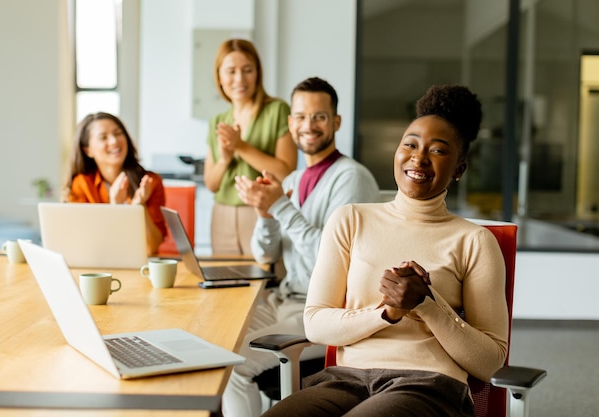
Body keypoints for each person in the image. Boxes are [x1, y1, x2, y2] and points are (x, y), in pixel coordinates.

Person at [261, 85, 509, 417]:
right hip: (344, 380)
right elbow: (316, 324)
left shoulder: (474, 241)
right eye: (410, 144)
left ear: (459, 169)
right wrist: (386, 312)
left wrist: (427, 304)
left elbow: (490, 361)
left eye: (437, 150)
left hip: (428, 385)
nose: (418, 157)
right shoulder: (350, 219)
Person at [222, 77, 380, 417]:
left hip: (324, 312)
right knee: (218, 344)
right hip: (286, 301)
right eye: (299, 116)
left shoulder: (351, 178)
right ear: (290, 122)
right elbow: (267, 254)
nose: (308, 125)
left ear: (336, 122)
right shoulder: (292, 180)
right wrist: (265, 215)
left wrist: (280, 207)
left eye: (319, 116)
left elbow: (333, 258)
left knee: (232, 367)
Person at [204, 39, 298, 255]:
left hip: (261, 212)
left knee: (264, 281)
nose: (239, 79)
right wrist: (225, 160)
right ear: (219, 76)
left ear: (258, 73)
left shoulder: (277, 110)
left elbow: (285, 172)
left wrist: (240, 146)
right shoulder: (218, 121)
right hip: (222, 215)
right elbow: (211, 183)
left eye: (247, 70)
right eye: (231, 71)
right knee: (224, 283)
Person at [64, 112, 167, 255]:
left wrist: (140, 207)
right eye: (103, 137)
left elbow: (151, 249)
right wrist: (115, 207)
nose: (114, 141)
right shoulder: (81, 185)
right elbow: (87, 246)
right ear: (88, 150)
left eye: (118, 133)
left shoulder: (150, 182)